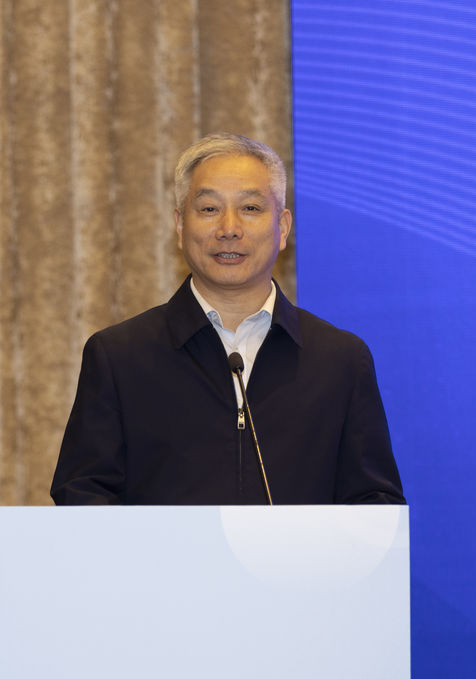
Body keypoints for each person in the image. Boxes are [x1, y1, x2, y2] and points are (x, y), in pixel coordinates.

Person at [50, 132, 403, 505]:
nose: (229, 229)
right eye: (208, 209)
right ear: (180, 226)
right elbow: (83, 498)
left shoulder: (340, 360)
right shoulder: (119, 356)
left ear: (282, 228)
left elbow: (374, 505)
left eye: (250, 208)